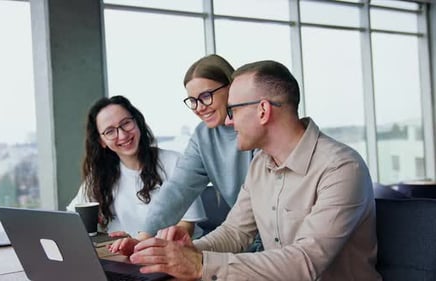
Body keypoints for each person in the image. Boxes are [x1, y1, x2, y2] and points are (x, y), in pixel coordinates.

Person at [128, 60, 381, 280]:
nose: (228, 121)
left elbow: (305, 262)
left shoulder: (341, 168)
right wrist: (190, 251)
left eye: (233, 110)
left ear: (263, 111)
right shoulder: (261, 164)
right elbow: (235, 232)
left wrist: (200, 264)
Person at [109, 54, 258, 254]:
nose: (199, 108)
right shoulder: (203, 136)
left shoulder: (256, 129)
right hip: (242, 239)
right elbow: (177, 190)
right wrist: (144, 237)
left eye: (206, 96)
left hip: (276, 241)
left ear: (231, 87)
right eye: (193, 101)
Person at [66, 95, 206, 239]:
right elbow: (71, 219)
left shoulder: (174, 162)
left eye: (126, 123)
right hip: (128, 257)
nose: (122, 135)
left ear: (137, 122)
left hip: (176, 253)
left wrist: (140, 243)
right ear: (101, 141)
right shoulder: (99, 176)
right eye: (110, 131)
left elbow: (187, 226)